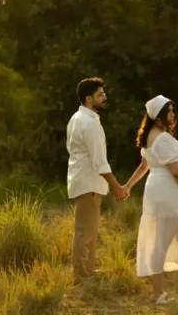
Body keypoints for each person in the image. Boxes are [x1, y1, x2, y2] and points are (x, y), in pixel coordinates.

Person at [124, 95, 178, 305]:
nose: (172, 114)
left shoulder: (150, 134)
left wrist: (128, 186)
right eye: (168, 111)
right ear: (158, 117)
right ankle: (161, 293)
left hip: (158, 190)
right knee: (168, 239)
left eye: (172, 110)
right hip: (169, 191)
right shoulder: (162, 138)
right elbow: (176, 172)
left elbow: (144, 166)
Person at [66, 77, 128, 285]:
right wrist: (117, 187)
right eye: (100, 94)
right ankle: (81, 277)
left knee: (90, 230)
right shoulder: (88, 123)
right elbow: (100, 162)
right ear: (88, 98)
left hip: (84, 180)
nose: (104, 97)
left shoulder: (77, 118)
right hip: (88, 182)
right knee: (84, 231)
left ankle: (89, 271)